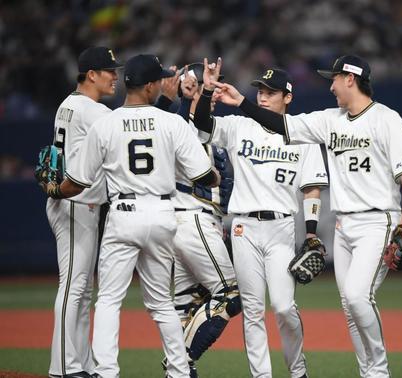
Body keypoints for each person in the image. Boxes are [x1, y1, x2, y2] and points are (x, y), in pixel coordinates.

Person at [212, 55, 402, 378]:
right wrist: (241, 102)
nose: (331, 85)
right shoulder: (329, 120)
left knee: (358, 296)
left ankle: (379, 371)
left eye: (334, 79)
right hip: (343, 226)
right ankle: (368, 373)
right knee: (350, 309)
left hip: (378, 220)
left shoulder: (386, 119)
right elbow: (280, 125)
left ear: (350, 79)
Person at [42, 54, 220, 378]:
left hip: (123, 214)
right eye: (159, 80)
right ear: (151, 85)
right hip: (163, 214)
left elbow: (77, 182)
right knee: (162, 304)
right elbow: (205, 176)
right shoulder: (172, 123)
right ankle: (179, 371)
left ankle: (106, 372)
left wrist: (54, 191)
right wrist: (217, 178)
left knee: (109, 300)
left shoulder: (105, 123)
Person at [193, 59, 329, 378]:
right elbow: (202, 122)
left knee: (283, 307)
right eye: (260, 91)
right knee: (253, 310)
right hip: (243, 228)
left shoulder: (302, 135)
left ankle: (298, 371)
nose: (263, 96)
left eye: (271, 92)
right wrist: (208, 87)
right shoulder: (241, 127)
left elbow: (311, 190)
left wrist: (310, 232)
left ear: (288, 97)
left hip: (281, 227)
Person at [47, 46, 122, 378]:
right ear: (91, 74)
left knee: (81, 288)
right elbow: (128, 123)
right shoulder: (91, 110)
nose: (115, 76)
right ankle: (62, 367)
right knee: (73, 287)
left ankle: (81, 364)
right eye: (109, 71)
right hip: (76, 204)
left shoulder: (68, 103)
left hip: (71, 202)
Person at [165, 63, 240, 377]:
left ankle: (178, 372)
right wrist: (182, 97)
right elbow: (179, 128)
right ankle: (179, 360)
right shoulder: (180, 124)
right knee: (231, 295)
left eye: (214, 84)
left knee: (186, 308)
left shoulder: (213, 126)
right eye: (203, 85)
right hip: (192, 220)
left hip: (192, 224)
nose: (212, 89)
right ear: (188, 88)